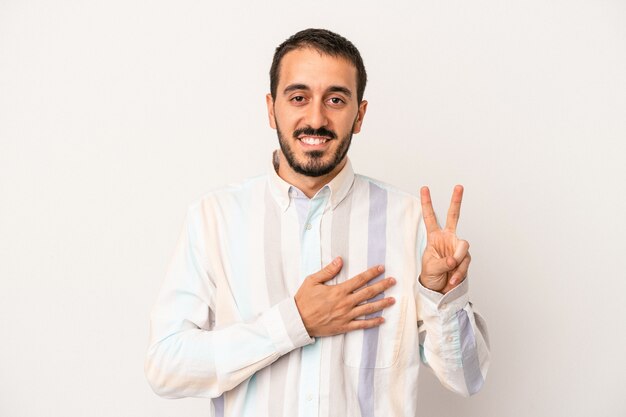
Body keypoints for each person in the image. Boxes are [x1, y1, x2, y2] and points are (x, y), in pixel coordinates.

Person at [145, 28, 490, 417]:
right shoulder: (214, 219)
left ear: (358, 116)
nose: (316, 118)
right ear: (271, 107)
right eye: (298, 97)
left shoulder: (410, 222)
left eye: (336, 99)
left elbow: (468, 379)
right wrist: (293, 322)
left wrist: (441, 295)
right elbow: (166, 367)